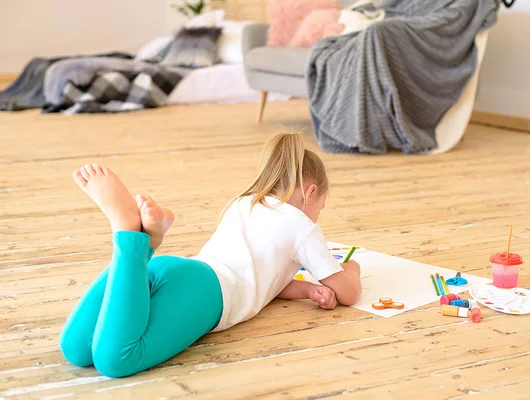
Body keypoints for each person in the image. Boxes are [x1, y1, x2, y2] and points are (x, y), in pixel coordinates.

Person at [59, 131, 362, 378]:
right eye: (320, 208)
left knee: (76, 348)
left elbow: (265, 278)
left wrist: (309, 290)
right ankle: (126, 229)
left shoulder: (246, 203)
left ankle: (145, 244)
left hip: (174, 269)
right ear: (310, 193)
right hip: (206, 296)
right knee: (118, 359)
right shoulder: (303, 227)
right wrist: (352, 268)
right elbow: (347, 293)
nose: (317, 217)